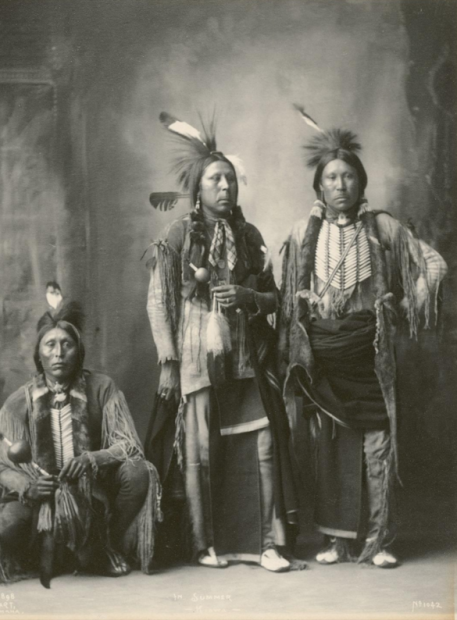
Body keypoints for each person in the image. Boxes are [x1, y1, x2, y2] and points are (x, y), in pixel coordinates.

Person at [278, 125, 447, 568]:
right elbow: (286, 294)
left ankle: (379, 539)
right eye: (331, 177)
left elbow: (434, 263)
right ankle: (337, 540)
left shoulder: (383, 226)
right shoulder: (302, 233)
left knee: (377, 444)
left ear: (361, 182)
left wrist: (407, 303)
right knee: (333, 446)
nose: (340, 185)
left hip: (369, 353)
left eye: (349, 176)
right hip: (325, 351)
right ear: (319, 185)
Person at [145, 112, 302, 572]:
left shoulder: (250, 236)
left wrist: (250, 295)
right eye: (216, 179)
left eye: (230, 179)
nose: (226, 187)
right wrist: (169, 359)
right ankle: (205, 542)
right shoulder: (177, 235)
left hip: (246, 356)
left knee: (263, 445)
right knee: (201, 451)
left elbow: (276, 297)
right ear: (198, 187)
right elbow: (158, 300)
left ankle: (268, 544)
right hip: (197, 355)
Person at [0, 297, 161, 586]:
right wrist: (28, 487)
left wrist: (91, 459)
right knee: (8, 522)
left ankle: (101, 547)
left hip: (93, 492)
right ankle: (53, 552)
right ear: (39, 354)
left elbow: (129, 444)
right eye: (50, 345)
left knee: (138, 471)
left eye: (66, 344)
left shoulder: (102, 388)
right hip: (41, 498)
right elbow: (2, 468)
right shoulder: (19, 403)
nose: (58, 353)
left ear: (78, 351)